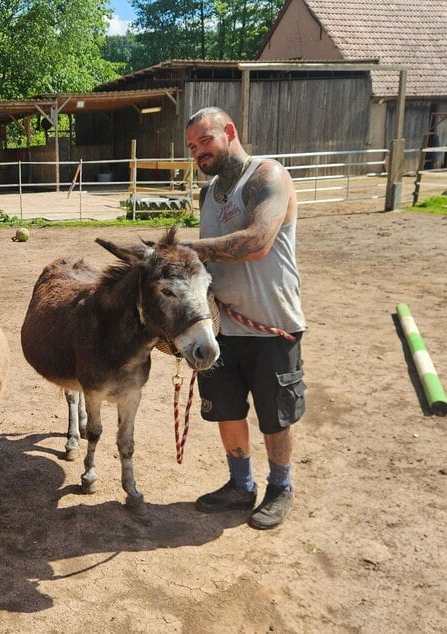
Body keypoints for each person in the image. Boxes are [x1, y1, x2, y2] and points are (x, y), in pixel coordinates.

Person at [182, 106, 307, 530]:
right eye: (193, 147)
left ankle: (280, 487)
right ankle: (240, 484)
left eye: (205, 140)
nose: (199, 152)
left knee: (276, 415)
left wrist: (185, 250)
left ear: (229, 132)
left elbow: (256, 242)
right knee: (227, 410)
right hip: (223, 327)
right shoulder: (207, 195)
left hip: (272, 324)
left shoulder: (266, 177)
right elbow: (211, 264)